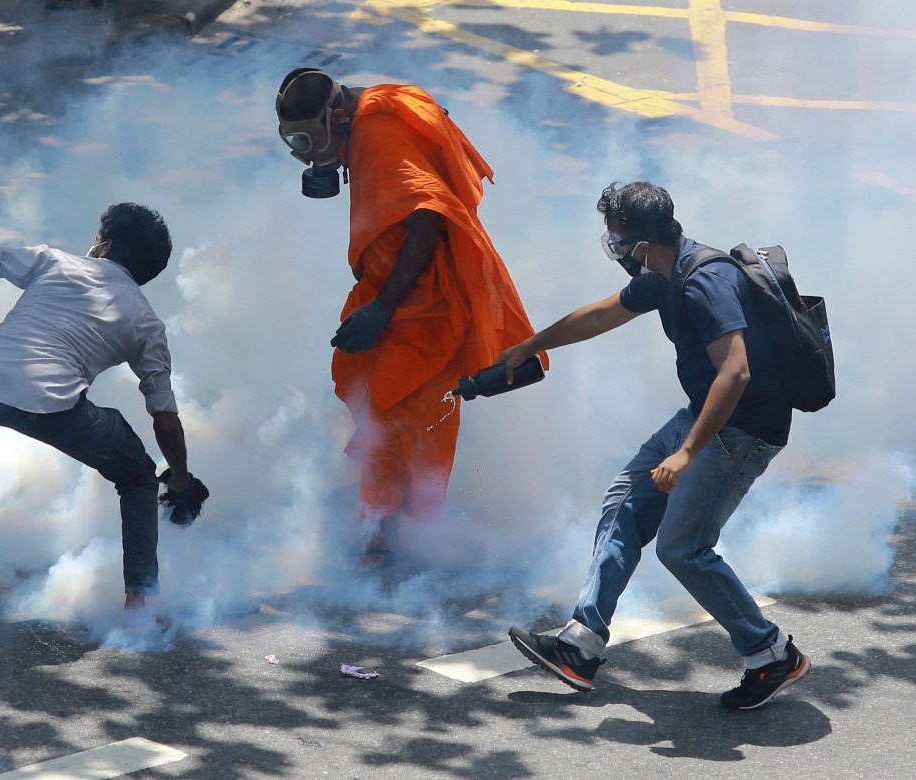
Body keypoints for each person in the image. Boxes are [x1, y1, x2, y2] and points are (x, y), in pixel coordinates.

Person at [503, 182, 810, 710]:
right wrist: (534, 343)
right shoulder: (662, 276)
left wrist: (687, 452)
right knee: (624, 504)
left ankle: (771, 652)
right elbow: (601, 314)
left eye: (619, 241)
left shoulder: (702, 282)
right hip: (703, 415)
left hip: (743, 429)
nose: (615, 250)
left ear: (644, 244)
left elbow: (735, 371)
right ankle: (581, 644)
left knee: (681, 548)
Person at [274, 68, 542, 565]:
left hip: (421, 304)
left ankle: (392, 534)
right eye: (295, 142)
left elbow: (426, 217)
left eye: (309, 138)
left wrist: (382, 309)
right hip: (390, 292)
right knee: (385, 405)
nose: (306, 152)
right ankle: (399, 520)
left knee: (400, 414)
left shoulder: (379, 132)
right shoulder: (362, 116)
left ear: (335, 114)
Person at [0, 203, 194, 613]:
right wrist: (178, 478)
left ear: (103, 246)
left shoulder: (55, 262)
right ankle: (136, 606)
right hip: (53, 407)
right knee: (140, 476)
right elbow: (165, 419)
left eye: (96, 238)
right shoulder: (146, 322)